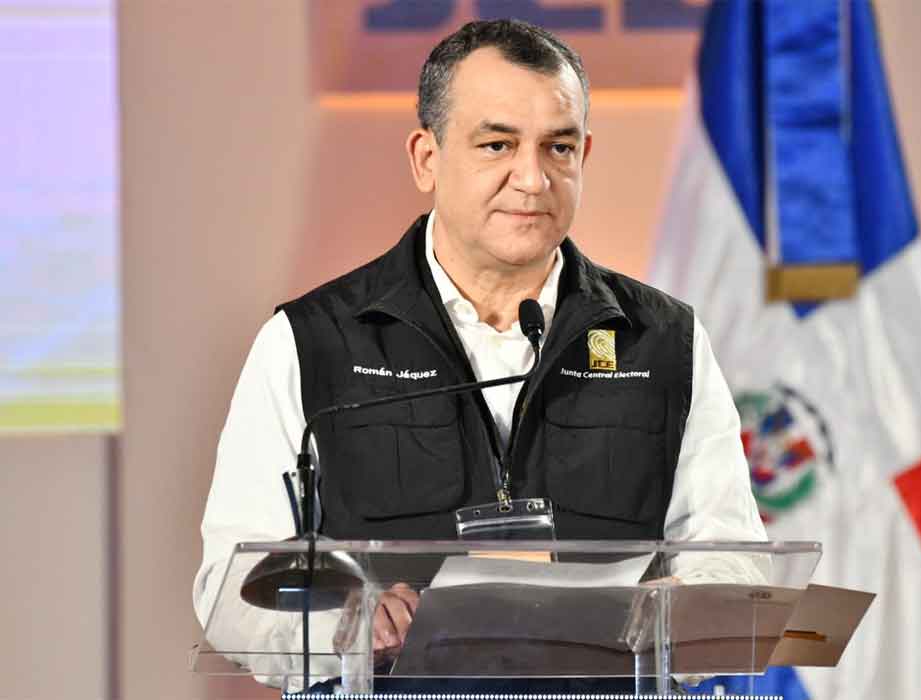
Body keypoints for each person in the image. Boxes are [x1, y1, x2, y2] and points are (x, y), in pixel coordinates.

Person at [193, 18, 766, 692]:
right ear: (426, 158)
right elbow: (233, 586)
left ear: (585, 155)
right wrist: (345, 624)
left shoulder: (665, 340)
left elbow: (733, 559)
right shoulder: (310, 341)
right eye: (497, 145)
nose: (533, 178)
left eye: (558, 147)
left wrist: (679, 608)